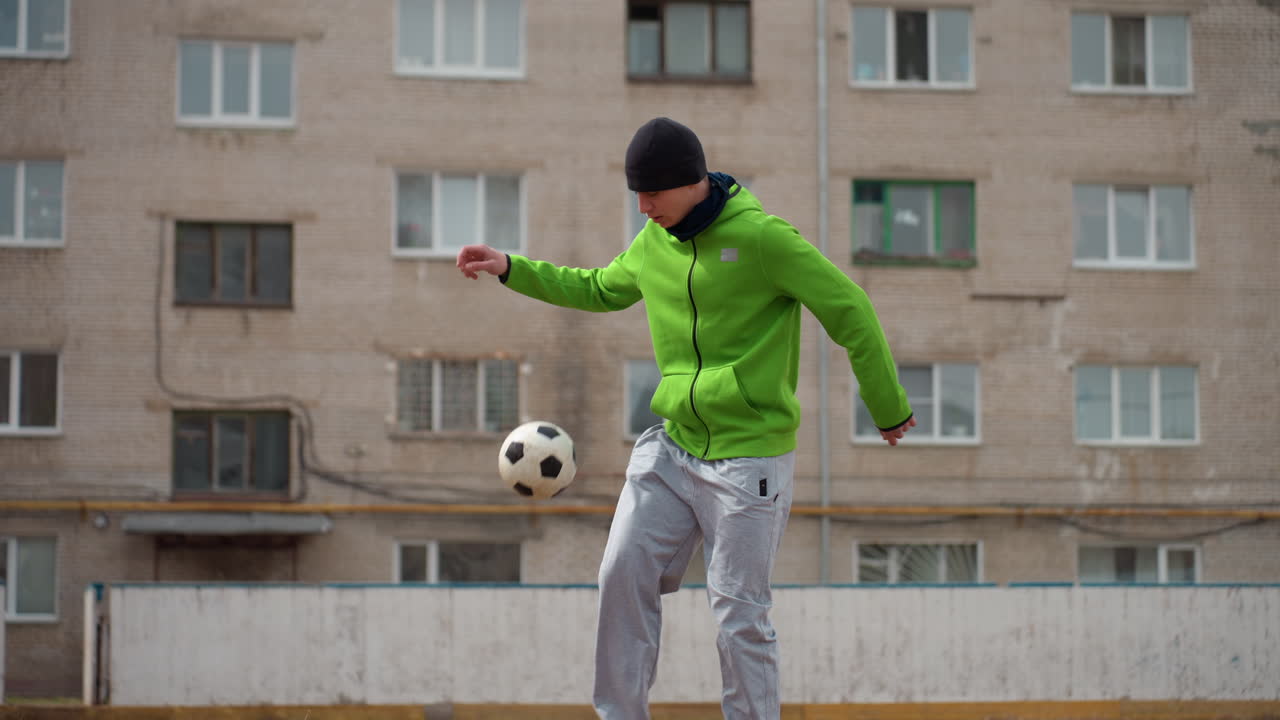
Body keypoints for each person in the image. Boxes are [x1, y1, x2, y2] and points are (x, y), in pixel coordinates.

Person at [456, 117, 915, 720]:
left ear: (691, 181)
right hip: (675, 448)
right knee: (621, 571)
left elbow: (850, 309)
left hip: (750, 456)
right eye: (636, 196)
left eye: (653, 194)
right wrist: (511, 267)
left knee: (738, 612)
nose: (644, 208)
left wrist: (887, 407)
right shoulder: (654, 243)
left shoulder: (762, 239)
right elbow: (598, 288)